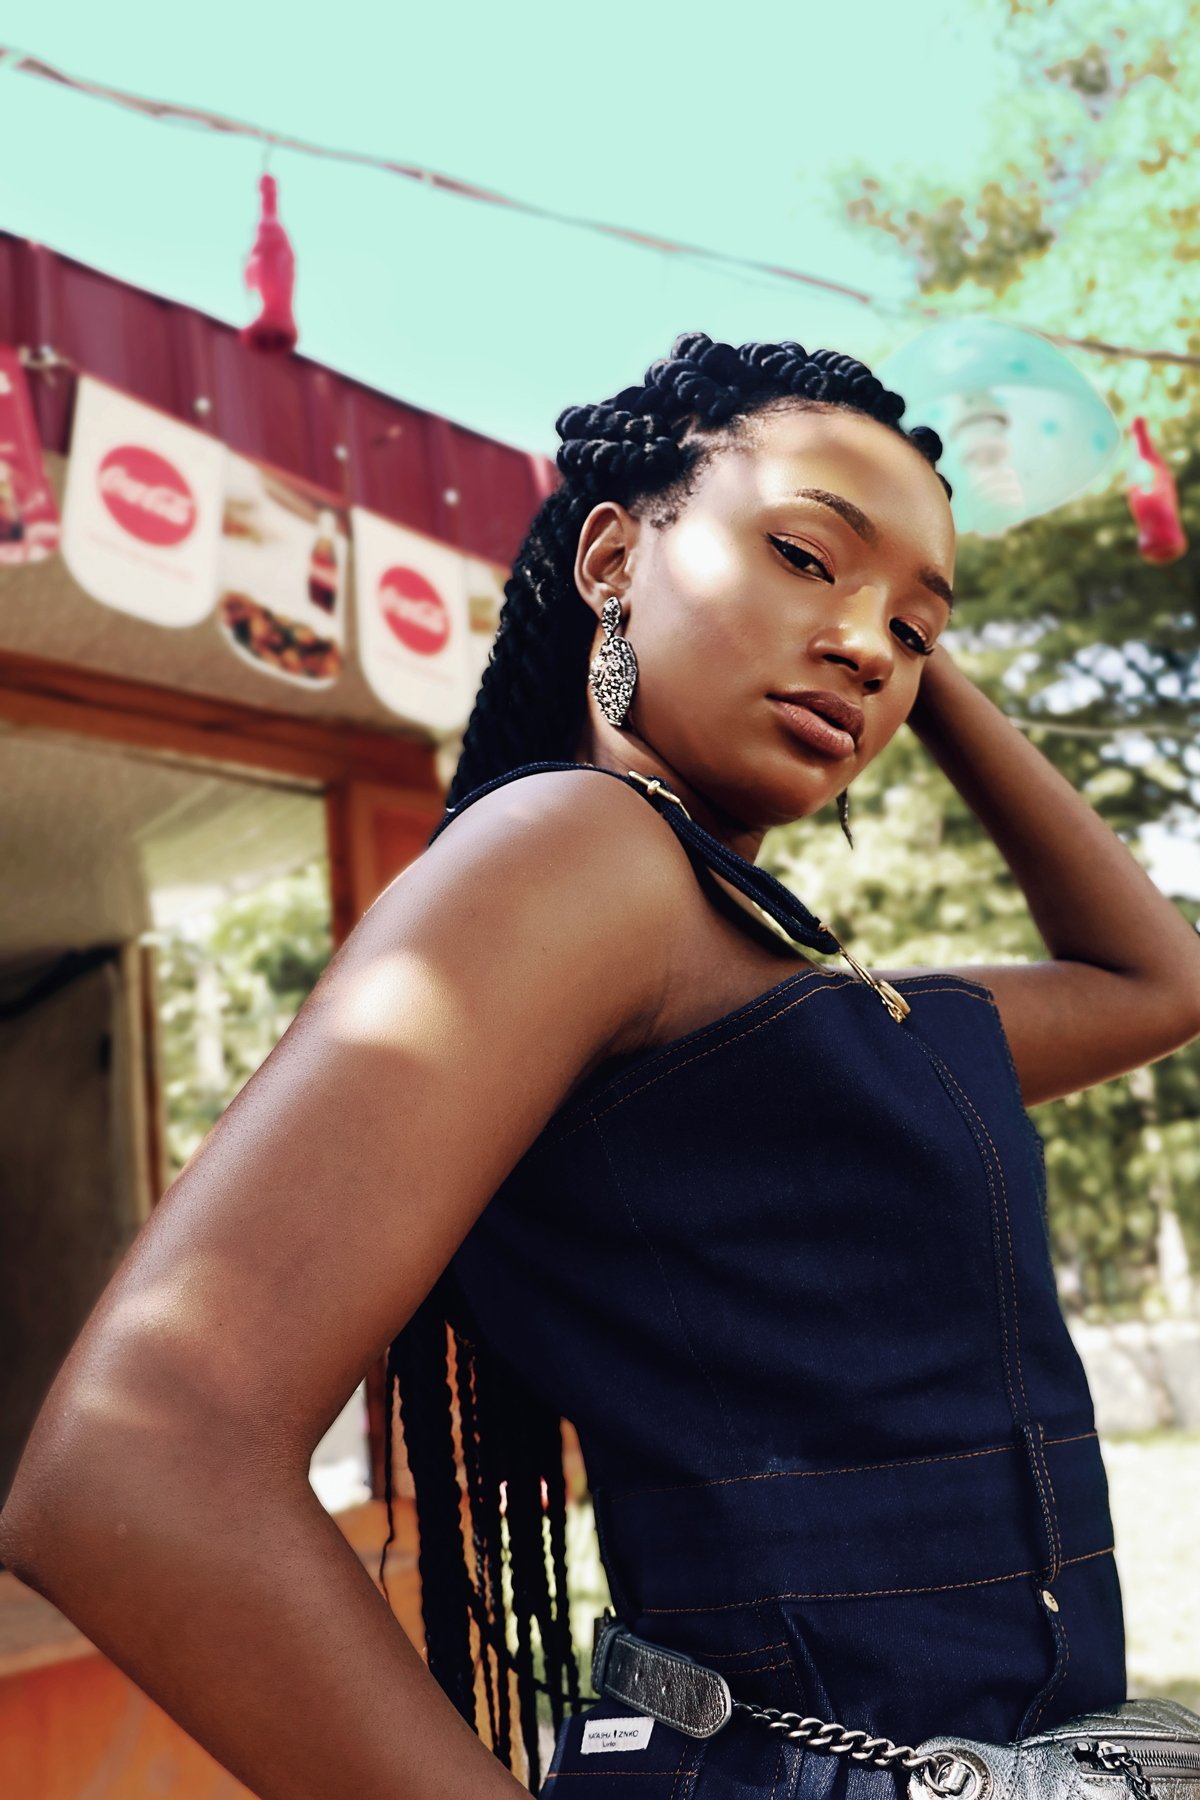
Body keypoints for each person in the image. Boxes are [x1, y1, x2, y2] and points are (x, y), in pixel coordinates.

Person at [3, 332, 1198, 1800]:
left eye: (916, 630)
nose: (870, 650)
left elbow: (1156, 984)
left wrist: (894, 634)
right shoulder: (575, 850)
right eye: (804, 556)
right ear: (614, 558)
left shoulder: (768, 973)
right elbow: (134, 1469)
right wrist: (882, 612)